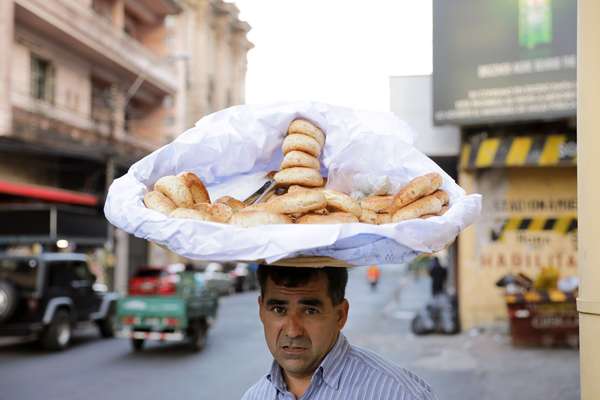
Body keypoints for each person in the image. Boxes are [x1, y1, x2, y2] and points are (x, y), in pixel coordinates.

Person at [241, 265, 437, 400]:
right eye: (278, 310)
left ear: (340, 315)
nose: (293, 331)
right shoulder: (255, 396)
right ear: (261, 311)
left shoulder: (398, 394)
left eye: (310, 311)